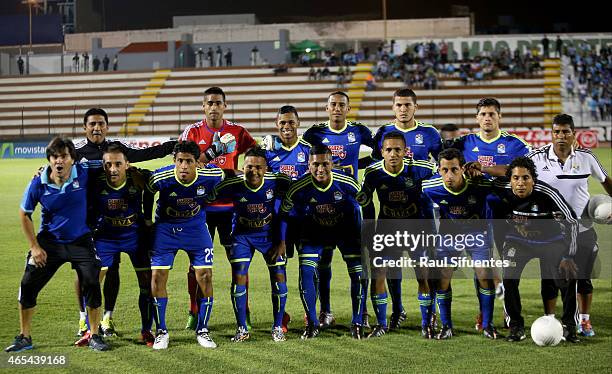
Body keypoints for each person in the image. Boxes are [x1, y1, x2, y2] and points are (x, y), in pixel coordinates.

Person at [73, 107, 176, 338]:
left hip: (124, 222)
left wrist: (172, 146)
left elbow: (146, 154)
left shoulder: (119, 151)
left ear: (107, 126)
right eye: (92, 124)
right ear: (85, 127)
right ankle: (83, 320)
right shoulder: (77, 151)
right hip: (91, 222)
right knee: (86, 273)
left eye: (101, 124)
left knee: (114, 270)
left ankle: (107, 318)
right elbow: (58, 167)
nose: (97, 128)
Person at [5, 137, 109, 352]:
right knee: (27, 284)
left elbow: (111, 161)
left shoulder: (82, 172)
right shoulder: (38, 182)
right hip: (49, 243)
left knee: (91, 282)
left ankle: (95, 335)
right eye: (54, 157)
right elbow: (25, 214)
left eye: (64, 156)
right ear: (49, 160)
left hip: (81, 240)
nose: (59, 161)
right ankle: (25, 337)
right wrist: (35, 247)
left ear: (72, 159)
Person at [526, 114, 612, 337]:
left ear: (574, 134)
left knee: (583, 277)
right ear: (552, 134)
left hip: (582, 229)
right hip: (550, 232)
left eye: (565, 131)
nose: (561, 136)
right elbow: (515, 173)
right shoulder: (536, 157)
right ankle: (550, 320)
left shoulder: (586, 158)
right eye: (557, 132)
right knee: (550, 278)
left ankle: (583, 320)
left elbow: (606, 181)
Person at [179, 87, 257, 330]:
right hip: (200, 209)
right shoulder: (192, 132)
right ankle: (194, 311)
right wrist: (216, 159)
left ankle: (244, 313)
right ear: (203, 106)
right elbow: (185, 163)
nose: (214, 107)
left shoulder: (237, 131)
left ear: (225, 106)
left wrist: (244, 170)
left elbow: (256, 154)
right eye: (209, 103)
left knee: (239, 263)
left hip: (231, 209)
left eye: (218, 103)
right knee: (196, 266)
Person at [302, 92, 375, 328]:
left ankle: (362, 312)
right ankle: (325, 311)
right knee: (324, 261)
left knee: (358, 262)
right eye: (333, 104)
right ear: (326, 108)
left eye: (341, 105)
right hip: (322, 207)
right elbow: (306, 157)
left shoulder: (359, 131)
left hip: (349, 205)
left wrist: (357, 165)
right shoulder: (314, 133)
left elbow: (377, 153)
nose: (337, 108)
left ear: (348, 108)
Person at [279, 145, 367, 339]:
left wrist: (367, 235)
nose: (320, 169)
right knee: (307, 270)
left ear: (332, 164)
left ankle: (358, 321)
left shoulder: (347, 182)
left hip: (345, 230)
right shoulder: (298, 187)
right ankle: (311, 324)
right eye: (315, 164)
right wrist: (284, 240)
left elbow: (365, 204)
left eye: (325, 164)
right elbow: (284, 214)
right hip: (313, 232)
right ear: (308, 165)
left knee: (359, 273)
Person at [488, 157, 579, 343]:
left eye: (525, 178)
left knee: (567, 277)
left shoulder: (547, 193)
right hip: (518, 241)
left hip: (551, 241)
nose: (520, 183)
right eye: (515, 178)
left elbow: (572, 221)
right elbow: (479, 182)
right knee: (509, 278)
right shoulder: (500, 188)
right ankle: (516, 327)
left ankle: (570, 326)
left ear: (533, 179)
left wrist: (568, 255)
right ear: (510, 179)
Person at [207, 147, 291, 342]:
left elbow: (286, 210)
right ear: (241, 167)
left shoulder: (278, 181)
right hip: (242, 236)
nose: (254, 171)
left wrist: (282, 241)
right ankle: (242, 329)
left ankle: (278, 327)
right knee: (239, 278)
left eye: (259, 167)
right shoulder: (233, 184)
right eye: (249, 167)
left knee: (279, 277)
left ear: (266, 169)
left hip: (269, 236)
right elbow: (206, 196)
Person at [146, 141, 224, 349]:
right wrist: (147, 221)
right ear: (174, 161)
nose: (183, 166)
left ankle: (203, 330)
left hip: (195, 228)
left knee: (205, 276)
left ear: (197, 163)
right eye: (179, 161)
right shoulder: (161, 177)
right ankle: (161, 331)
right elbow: (147, 191)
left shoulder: (211, 176)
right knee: (157, 276)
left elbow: (219, 183)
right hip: (166, 229)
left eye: (188, 161)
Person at [358, 132, 436, 337]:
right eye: (388, 150)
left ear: (405, 151)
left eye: (397, 150)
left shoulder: (422, 169)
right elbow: (366, 205)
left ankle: (427, 322)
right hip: (386, 229)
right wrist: (368, 233)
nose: (393, 154)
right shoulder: (372, 172)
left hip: (415, 228)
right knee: (380, 275)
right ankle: (382, 324)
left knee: (424, 276)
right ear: (381, 152)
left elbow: (433, 198)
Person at [422, 148, 501, 340]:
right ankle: (446, 326)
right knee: (442, 277)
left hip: (478, 232)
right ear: (438, 170)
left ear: (463, 169)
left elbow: (505, 181)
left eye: (454, 170)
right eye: (445, 170)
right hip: (450, 233)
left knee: (484, 274)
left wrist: (484, 170)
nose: (449, 175)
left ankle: (487, 325)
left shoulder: (480, 183)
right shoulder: (429, 187)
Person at [90, 145, 154, 346]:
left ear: (127, 164)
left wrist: (149, 218)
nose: (113, 169)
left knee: (147, 284)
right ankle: (92, 329)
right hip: (106, 238)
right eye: (108, 164)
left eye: (118, 164)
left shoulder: (140, 178)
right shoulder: (95, 181)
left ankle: (146, 330)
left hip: (135, 237)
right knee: (94, 281)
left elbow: (156, 185)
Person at [372, 88, 443, 162]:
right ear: (393, 107)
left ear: (415, 107)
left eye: (407, 105)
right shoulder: (383, 131)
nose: (403, 109)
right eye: (399, 105)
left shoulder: (430, 132)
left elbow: (443, 162)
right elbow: (375, 161)